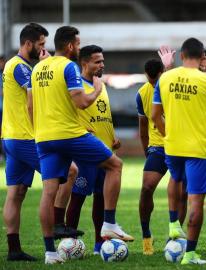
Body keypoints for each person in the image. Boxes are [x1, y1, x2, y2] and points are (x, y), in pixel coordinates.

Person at [30, 26, 133, 264]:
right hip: (69, 134)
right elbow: (83, 102)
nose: (78, 47)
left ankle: (51, 253)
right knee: (115, 165)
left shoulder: (38, 69)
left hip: (44, 138)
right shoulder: (67, 67)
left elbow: (30, 106)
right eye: (77, 43)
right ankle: (109, 224)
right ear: (69, 46)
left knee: (48, 193)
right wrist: (96, 89)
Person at [151, 37, 206, 264]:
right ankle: (189, 253)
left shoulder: (165, 78)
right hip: (199, 148)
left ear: (181, 56)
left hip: (173, 144)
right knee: (195, 200)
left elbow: (154, 115)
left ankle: (173, 224)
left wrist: (166, 134)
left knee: (175, 178)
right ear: (202, 57)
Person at [61, 45, 121, 255]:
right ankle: (68, 242)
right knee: (77, 197)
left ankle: (99, 244)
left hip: (105, 150)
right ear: (84, 63)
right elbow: (70, 113)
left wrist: (112, 135)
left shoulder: (100, 85)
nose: (101, 65)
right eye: (97, 62)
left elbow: (103, 113)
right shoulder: (76, 85)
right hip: (85, 152)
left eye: (102, 61)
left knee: (101, 198)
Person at [1, 22, 50, 262]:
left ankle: (14, 250)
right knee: (67, 174)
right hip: (24, 137)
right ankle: (58, 231)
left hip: (12, 137)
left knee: (17, 192)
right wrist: (45, 67)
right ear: (28, 43)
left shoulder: (20, 66)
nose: (43, 48)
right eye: (40, 44)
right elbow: (34, 100)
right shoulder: (19, 67)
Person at [136, 58, 187, 255]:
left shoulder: (174, 85)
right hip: (158, 147)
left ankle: (173, 239)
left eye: (155, 81)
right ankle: (146, 236)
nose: (153, 85)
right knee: (146, 187)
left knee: (182, 193)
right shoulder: (142, 94)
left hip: (180, 145)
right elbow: (142, 128)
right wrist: (146, 151)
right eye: (150, 81)